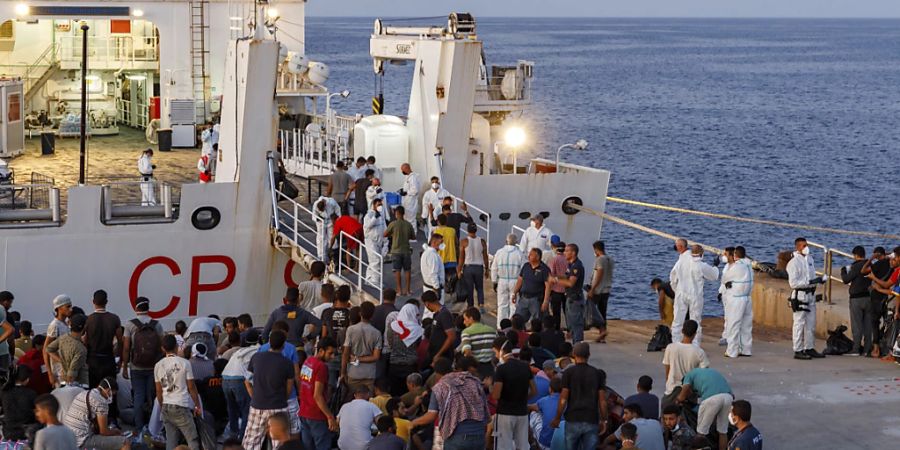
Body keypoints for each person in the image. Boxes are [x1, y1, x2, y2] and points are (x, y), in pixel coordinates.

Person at [409, 358, 490, 450]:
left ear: (436, 373)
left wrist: (413, 422)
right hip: (479, 434)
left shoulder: (440, 387)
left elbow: (431, 416)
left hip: (457, 437)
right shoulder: (473, 381)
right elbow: (484, 407)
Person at [242, 330, 296, 449]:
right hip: (278, 406)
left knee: (251, 442)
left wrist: (254, 396)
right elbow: (289, 387)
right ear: (283, 345)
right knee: (280, 443)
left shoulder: (256, 358)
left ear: (269, 342)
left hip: (258, 405)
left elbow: (247, 381)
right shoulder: (287, 363)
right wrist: (283, 399)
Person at [550, 342, 609, 450]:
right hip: (591, 420)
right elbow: (602, 401)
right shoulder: (597, 374)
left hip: (572, 419)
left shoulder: (568, 373)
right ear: (589, 355)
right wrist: (604, 420)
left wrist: (557, 417)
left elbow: (563, 399)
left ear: (573, 354)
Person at [120, 297, 164, 435]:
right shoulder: (157, 324)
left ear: (136, 308)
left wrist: (125, 366)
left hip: (136, 367)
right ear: (148, 308)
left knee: (139, 396)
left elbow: (126, 348)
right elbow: (162, 346)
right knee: (152, 396)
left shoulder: (130, 325)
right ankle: (152, 426)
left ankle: (139, 427)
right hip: (153, 367)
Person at [155, 335, 202, 450]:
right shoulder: (185, 363)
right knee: (192, 440)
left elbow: (158, 391)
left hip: (166, 406)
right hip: (181, 406)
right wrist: (197, 406)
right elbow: (191, 387)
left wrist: (162, 407)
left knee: (171, 441)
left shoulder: (158, 365)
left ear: (162, 348)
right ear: (176, 347)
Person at [786, 237, 827, 360]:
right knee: (799, 323)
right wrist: (810, 281)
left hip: (811, 295)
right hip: (800, 295)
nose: (806, 247)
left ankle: (809, 347)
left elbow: (812, 275)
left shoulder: (810, 259)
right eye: (803, 246)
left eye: (806, 245)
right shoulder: (793, 263)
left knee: (811, 323)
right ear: (797, 247)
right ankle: (798, 349)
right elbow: (793, 283)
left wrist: (819, 281)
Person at [63, 376, 130, 450]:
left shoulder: (84, 393)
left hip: (67, 437)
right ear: (108, 391)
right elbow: (103, 432)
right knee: (124, 442)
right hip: (81, 441)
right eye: (112, 394)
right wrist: (115, 432)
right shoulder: (101, 402)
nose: (111, 397)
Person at [670, 244, 719, 345]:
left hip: (681, 293)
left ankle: (676, 343)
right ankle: (695, 345)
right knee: (695, 320)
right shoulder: (702, 266)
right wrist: (715, 266)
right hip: (695, 295)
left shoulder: (681, 262)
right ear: (701, 253)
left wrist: (676, 290)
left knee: (677, 320)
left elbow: (672, 278)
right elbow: (714, 276)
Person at [552, 244, 601, 344]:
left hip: (575, 299)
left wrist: (556, 280)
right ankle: (575, 344)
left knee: (577, 324)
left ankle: (578, 345)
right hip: (569, 298)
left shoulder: (577, 266)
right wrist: (555, 276)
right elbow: (566, 277)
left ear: (573, 253)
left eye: (566, 251)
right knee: (571, 324)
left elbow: (570, 283)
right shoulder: (570, 265)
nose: (564, 253)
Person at [677, 367, 733, 450]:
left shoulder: (688, 376)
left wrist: (678, 400)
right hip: (728, 397)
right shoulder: (708, 372)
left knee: (701, 432)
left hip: (712, 399)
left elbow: (685, 390)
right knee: (723, 431)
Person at [493, 346, 537, 450]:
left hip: (505, 412)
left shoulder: (501, 369)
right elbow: (534, 391)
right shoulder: (526, 367)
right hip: (522, 412)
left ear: (501, 352)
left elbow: (496, 395)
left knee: (503, 445)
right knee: (523, 445)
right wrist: (522, 398)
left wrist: (491, 387)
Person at [299, 337, 338, 450]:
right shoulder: (322, 367)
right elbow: (317, 395)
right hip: (316, 414)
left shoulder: (308, 361)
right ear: (321, 351)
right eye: (330, 353)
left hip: (304, 412)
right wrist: (330, 416)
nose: (332, 357)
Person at [221, 329, 261, 440]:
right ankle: (243, 440)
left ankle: (232, 438)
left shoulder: (240, 351)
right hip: (239, 380)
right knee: (246, 411)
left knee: (232, 411)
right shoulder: (258, 351)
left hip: (225, 378)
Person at [661, 320, 709, 408]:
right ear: (695, 334)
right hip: (689, 391)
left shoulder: (670, 347)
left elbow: (667, 370)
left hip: (671, 389)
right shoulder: (699, 352)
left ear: (682, 331)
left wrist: (668, 383)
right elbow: (704, 374)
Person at [84, 290, 123, 388]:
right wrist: (120, 359)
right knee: (110, 390)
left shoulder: (88, 320)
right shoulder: (114, 319)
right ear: (106, 302)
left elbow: (84, 341)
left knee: (93, 391)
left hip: (92, 360)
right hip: (108, 359)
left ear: (93, 301)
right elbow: (120, 341)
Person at [342, 301, 383, 392]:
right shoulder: (377, 333)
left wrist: (343, 372)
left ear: (360, 313)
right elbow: (376, 357)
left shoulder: (351, 330)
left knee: (352, 399)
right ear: (372, 315)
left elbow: (346, 353)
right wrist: (359, 359)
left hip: (353, 372)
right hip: (369, 374)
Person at [841, 246, 874, 356]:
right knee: (868, 325)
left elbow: (846, 280)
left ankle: (856, 349)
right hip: (869, 298)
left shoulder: (855, 267)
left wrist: (843, 271)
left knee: (857, 325)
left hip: (856, 299)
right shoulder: (870, 265)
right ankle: (867, 349)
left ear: (855, 255)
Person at [387, 303, 424, 397]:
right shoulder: (418, 330)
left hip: (394, 363)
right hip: (411, 365)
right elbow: (418, 345)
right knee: (410, 393)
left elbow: (390, 343)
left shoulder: (393, 326)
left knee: (395, 391)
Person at [724, 246, 754, 358]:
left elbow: (724, 278)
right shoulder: (749, 265)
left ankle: (731, 351)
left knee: (733, 324)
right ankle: (746, 349)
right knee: (746, 325)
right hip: (747, 298)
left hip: (737, 298)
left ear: (735, 255)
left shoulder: (737, 267)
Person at [46, 313, 89, 386]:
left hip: (62, 381)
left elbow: (49, 349)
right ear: (84, 327)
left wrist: (61, 360)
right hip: (78, 385)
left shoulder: (63, 338)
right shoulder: (81, 349)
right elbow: (71, 375)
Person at [492, 234, 525, 328]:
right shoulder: (519, 253)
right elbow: (523, 270)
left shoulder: (499, 252)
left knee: (502, 305)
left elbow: (494, 268)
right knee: (514, 305)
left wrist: (494, 281)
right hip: (515, 281)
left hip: (502, 281)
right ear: (516, 242)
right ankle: (512, 326)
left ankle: (500, 326)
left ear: (506, 241)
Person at [337, 385, 383, 450]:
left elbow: (337, 423)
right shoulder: (371, 406)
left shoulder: (344, 406)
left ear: (355, 395)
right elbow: (382, 424)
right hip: (363, 447)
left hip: (343, 446)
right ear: (368, 394)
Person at [513, 248, 552, 323]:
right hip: (523, 298)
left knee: (537, 322)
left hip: (536, 300)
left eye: (531, 255)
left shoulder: (544, 269)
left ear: (537, 257)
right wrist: (514, 292)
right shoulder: (526, 266)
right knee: (517, 320)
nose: (529, 256)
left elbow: (548, 286)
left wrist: (546, 301)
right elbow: (520, 280)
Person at [459, 222, 490, 311]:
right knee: (480, 287)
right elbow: (485, 256)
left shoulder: (464, 241)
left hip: (468, 267)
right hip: (479, 267)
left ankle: (470, 306)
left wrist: (459, 270)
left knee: (469, 288)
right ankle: (481, 305)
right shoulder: (482, 241)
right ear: (476, 230)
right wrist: (487, 269)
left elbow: (461, 258)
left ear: (467, 230)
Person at [384, 205, 415, 295]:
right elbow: (413, 237)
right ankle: (408, 290)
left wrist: (393, 234)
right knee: (407, 270)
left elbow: (385, 234)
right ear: (403, 213)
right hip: (406, 250)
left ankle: (399, 290)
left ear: (396, 213)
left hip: (396, 251)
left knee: (397, 270)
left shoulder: (393, 224)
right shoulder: (408, 224)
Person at [2, 365, 37, 441]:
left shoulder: (4, 392)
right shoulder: (31, 393)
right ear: (27, 380)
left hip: (8, 432)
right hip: (25, 433)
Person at [459, 307, 496, 376]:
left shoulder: (466, 332)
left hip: (476, 368)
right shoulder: (492, 331)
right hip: (490, 367)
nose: (464, 322)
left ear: (471, 318)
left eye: (465, 319)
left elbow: (467, 352)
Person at [588, 240, 613, 342]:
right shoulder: (610, 259)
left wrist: (592, 289)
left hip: (598, 290)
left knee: (591, 310)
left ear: (596, 249)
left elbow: (599, 274)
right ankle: (602, 333)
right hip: (607, 288)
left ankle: (601, 329)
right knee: (602, 311)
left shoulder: (599, 260)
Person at [423, 290, 456, 366]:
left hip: (443, 357)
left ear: (427, 304)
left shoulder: (444, 314)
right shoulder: (438, 314)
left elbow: (451, 337)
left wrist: (439, 354)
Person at [363, 197, 388, 283]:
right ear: (374, 205)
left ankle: (368, 278)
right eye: (378, 205)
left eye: (381, 204)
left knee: (374, 261)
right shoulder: (369, 215)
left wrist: (386, 243)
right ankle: (375, 282)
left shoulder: (381, 216)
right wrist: (375, 217)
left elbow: (385, 229)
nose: (380, 206)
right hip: (370, 241)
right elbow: (368, 225)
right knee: (375, 261)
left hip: (379, 242)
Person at [312, 196, 342, 263]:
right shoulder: (316, 204)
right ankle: (321, 256)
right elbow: (314, 215)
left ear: (325, 205)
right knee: (321, 238)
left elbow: (338, 210)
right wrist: (318, 218)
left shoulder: (332, 202)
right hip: (320, 222)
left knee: (331, 237)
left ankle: (333, 255)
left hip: (330, 221)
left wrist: (338, 221)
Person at [398, 163, 421, 234]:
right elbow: (408, 187)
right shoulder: (408, 177)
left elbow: (415, 190)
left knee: (411, 219)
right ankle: (408, 234)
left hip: (411, 202)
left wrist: (406, 192)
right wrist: (403, 190)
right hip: (407, 201)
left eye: (403, 170)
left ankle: (413, 235)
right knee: (406, 218)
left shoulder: (413, 177)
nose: (402, 172)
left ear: (407, 168)